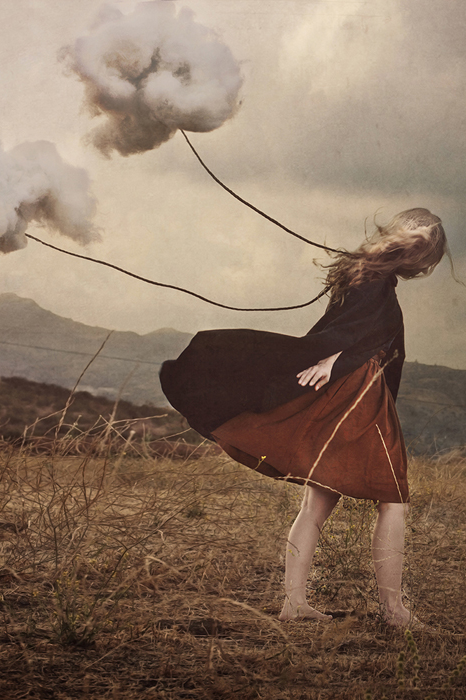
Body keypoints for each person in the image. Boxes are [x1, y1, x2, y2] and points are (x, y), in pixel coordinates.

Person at [160, 208, 450, 627]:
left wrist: (336, 358)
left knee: (318, 502)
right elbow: (358, 335)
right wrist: (338, 360)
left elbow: (354, 330)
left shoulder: (367, 274)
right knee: (392, 500)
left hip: (348, 391)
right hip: (357, 397)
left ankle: (295, 604)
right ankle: (393, 612)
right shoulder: (373, 280)